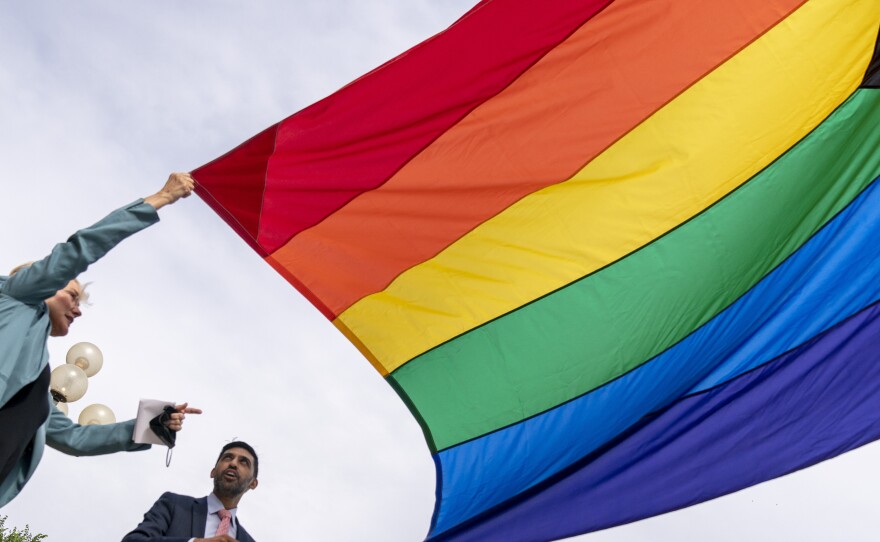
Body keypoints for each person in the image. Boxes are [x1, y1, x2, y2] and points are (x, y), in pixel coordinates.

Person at [0, 173, 201, 508]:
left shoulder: (37, 378)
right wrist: (162, 197)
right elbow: (80, 249)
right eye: (73, 295)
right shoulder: (15, 294)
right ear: (38, 281)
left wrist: (154, 424)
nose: (78, 310)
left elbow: (75, 438)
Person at [122, 441, 259, 542]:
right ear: (213, 472)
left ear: (253, 483)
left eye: (244, 462)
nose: (233, 464)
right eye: (228, 457)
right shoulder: (173, 505)